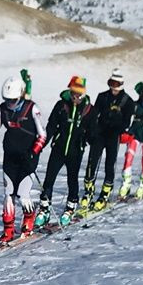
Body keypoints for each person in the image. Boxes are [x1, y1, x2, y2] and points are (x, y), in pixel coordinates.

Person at [0, 74, 47, 242]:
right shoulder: (2, 109)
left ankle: (28, 221)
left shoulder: (32, 108)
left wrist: (34, 151)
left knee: (23, 194)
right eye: (7, 100)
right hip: (10, 156)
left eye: (13, 100)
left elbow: (42, 135)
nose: (10, 104)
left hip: (28, 157)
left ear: (21, 96)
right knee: (8, 194)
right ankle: (8, 229)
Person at [37, 76, 91, 227]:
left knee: (72, 180)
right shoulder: (61, 105)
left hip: (75, 151)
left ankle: (70, 208)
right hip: (59, 149)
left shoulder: (87, 109)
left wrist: (92, 141)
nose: (75, 97)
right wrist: (42, 144)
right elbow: (51, 126)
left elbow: (93, 131)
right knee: (49, 179)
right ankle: (44, 209)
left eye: (79, 94)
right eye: (73, 92)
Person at [83, 69, 135, 210]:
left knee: (109, 164)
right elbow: (94, 115)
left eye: (116, 84)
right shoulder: (102, 96)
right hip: (100, 133)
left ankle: (104, 194)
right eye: (111, 83)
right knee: (92, 162)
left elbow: (126, 122)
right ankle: (88, 191)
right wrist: (91, 131)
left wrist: (120, 129)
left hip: (113, 135)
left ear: (122, 84)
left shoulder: (128, 102)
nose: (113, 87)